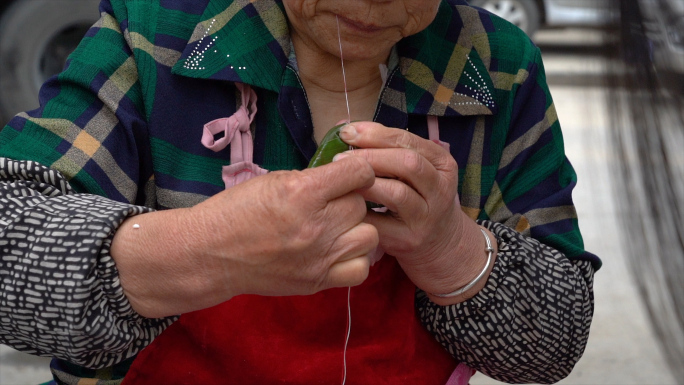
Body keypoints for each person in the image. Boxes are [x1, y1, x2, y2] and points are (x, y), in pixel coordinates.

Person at [0, 0, 601, 383]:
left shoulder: (496, 67)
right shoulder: (154, 31)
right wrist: (206, 247)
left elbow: (554, 342)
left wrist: (452, 250)